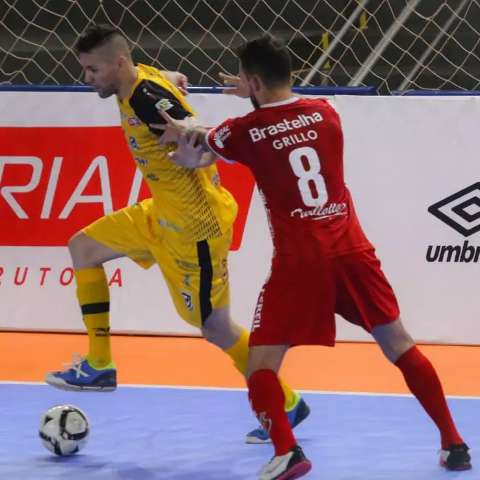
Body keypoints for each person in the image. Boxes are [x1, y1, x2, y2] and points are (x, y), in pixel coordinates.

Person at [155, 35, 472, 479]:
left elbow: (205, 146)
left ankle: (287, 451)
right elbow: (274, 123)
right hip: (353, 252)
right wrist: (255, 95)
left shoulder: (241, 132)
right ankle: (454, 443)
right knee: (399, 345)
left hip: (300, 262)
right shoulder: (328, 112)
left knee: (262, 364)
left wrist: (186, 136)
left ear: (252, 81)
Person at [45, 24, 310, 444]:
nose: (87, 78)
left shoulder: (149, 97)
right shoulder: (139, 80)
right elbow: (156, 80)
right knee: (83, 248)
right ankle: (99, 364)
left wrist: (196, 150)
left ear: (118, 62)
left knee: (215, 328)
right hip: (161, 212)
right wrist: (169, 78)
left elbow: (196, 133)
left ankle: (286, 402)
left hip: (194, 226)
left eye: (92, 69)